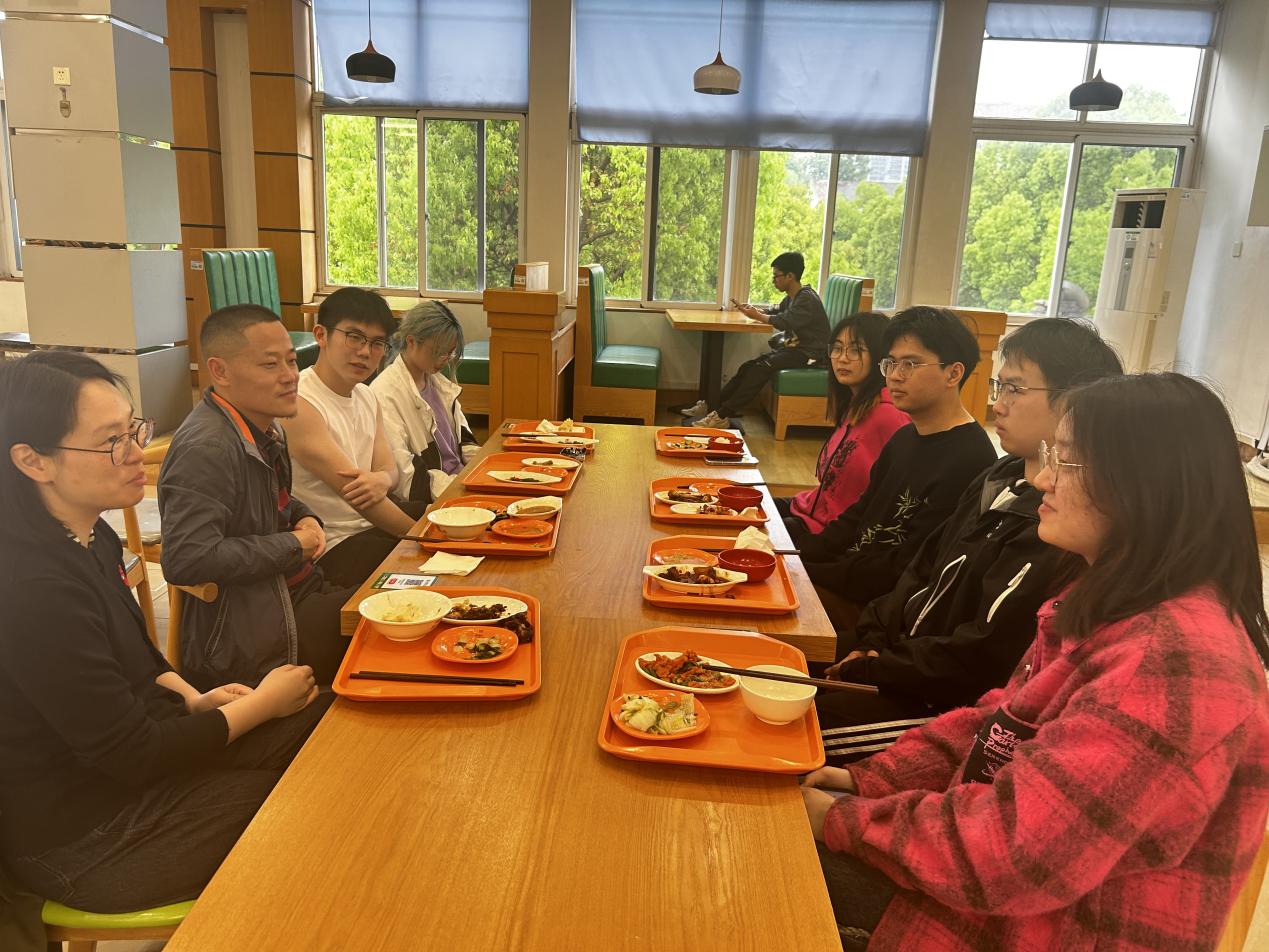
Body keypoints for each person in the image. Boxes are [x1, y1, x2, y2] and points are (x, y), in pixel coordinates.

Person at [802, 372, 1269, 952]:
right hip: (990, 891)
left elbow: (1009, 857)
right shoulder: (1109, 597)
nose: (1043, 478)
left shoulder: (1174, 662)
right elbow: (1000, 723)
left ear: (1144, 487)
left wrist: (841, 820)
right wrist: (868, 779)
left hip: (1034, 929)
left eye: (1066, 462)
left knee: (753, 863)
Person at [0, 351, 330, 914]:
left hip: (134, 771)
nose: (139, 453)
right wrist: (259, 706)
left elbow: (140, 657)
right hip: (86, 836)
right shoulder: (32, 588)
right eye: (112, 442)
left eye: (133, 429)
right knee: (306, 804)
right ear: (33, 460)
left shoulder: (91, 534)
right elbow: (132, 754)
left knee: (326, 727)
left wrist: (195, 699)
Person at [817, 318, 1123, 763]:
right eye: (1000, 386)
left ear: (1075, 403)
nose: (997, 404)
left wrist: (875, 665)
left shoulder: (1061, 525)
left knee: (795, 724)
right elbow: (920, 569)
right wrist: (872, 639)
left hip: (942, 706)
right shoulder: (997, 477)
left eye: (1014, 389)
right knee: (774, 662)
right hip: (900, 660)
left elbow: (978, 657)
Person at [159, 305, 360, 688]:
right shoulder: (207, 448)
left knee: (395, 573)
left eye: (291, 361)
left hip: (294, 589)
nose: (290, 376)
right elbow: (187, 558)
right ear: (220, 371)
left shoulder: (264, 426)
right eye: (270, 365)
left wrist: (304, 516)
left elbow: (271, 500)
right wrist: (294, 545)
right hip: (258, 628)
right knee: (389, 618)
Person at [798, 306, 997, 633]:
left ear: (953, 374)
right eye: (890, 363)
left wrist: (808, 571)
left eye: (911, 364)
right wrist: (794, 554)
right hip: (848, 580)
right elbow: (858, 515)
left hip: (879, 612)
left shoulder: (970, 459)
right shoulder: (905, 437)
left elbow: (905, 568)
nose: (895, 375)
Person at [284, 288, 430, 587]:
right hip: (333, 544)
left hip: (369, 525)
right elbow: (360, 498)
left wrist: (383, 480)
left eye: (377, 343)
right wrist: (426, 539)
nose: (365, 352)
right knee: (428, 564)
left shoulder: (366, 395)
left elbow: (388, 468)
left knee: (445, 514)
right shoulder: (300, 402)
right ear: (321, 335)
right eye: (354, 337)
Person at [773, 312, 908, 541]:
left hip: (833, 533)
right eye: (837, 348)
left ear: (880, 356)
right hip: (809, 509)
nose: (842, 358)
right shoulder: (855, 404)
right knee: (739, 504)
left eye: (855, 350)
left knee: (753, 535)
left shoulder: (889, 416)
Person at [682, 251, 830, 428]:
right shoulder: (792, 298)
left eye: (776, 276)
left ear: (790, 276)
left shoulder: (806, 298)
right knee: (748, 367)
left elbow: (784, 321)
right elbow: (775, 311)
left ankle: (721, 415)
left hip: (811, 354)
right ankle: (712, 406)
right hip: (796, 350)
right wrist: (753, 311)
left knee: (760, 369)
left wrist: (757, 316)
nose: (773, 280)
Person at [370, 300, 480, 503]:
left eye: (450, 352)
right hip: (437, 497)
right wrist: (463, 489)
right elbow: (406, 479)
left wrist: (483, 471)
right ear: (411, 342)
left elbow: (464, 440)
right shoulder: (385, 394)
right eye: (438, 352)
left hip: (460, 483)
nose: (445, 359)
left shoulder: (437, 382)